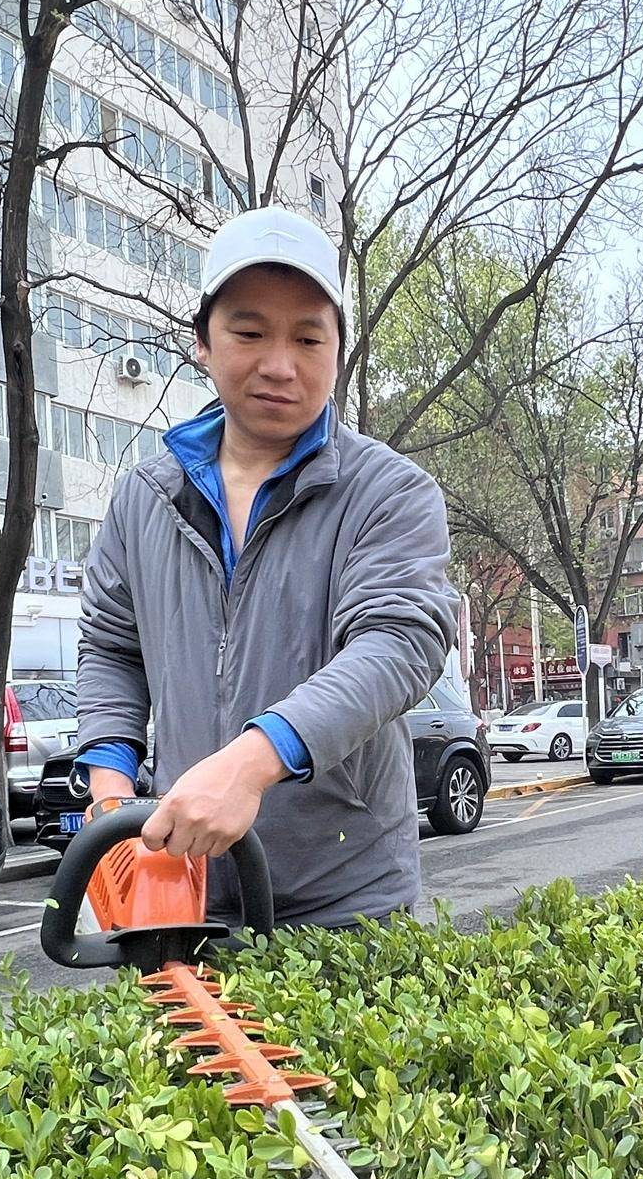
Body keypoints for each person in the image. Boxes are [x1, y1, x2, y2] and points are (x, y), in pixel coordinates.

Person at [73, 206, 458, 930]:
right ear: (202, 342)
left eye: (309, 338)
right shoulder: (144, 498)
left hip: (347, 903)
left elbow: (399, 643)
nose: (280, 365)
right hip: (179, 895)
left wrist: (251, 763)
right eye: (249, 333)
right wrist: (110, 788)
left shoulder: (390, 492)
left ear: (339, 349)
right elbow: (112, 649)